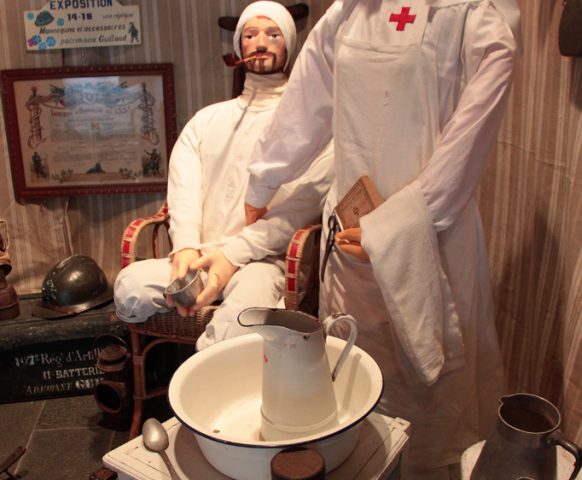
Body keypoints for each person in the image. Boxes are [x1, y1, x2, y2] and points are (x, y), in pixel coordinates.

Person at [243, 0, 521, 478]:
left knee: (432, 395)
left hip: (432, 235)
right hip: (352, 235)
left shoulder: (473, 15)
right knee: (354, 375)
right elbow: (306, 103)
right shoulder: (348, 13)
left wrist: (398, 227)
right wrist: (263, 180)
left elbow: (468, 139)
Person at [114, 1, 333, 351]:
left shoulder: (312, 128)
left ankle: (203, 393)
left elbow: (302, 206)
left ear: (288, 45)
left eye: (272, 34)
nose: (261, 43)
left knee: (243, 320)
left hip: (264, 262)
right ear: (239, 47)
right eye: (251, 34)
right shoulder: (206, 121)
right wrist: (185, 248)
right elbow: (183, 192)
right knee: (130, 286)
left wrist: (234, 256)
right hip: (200, 256)